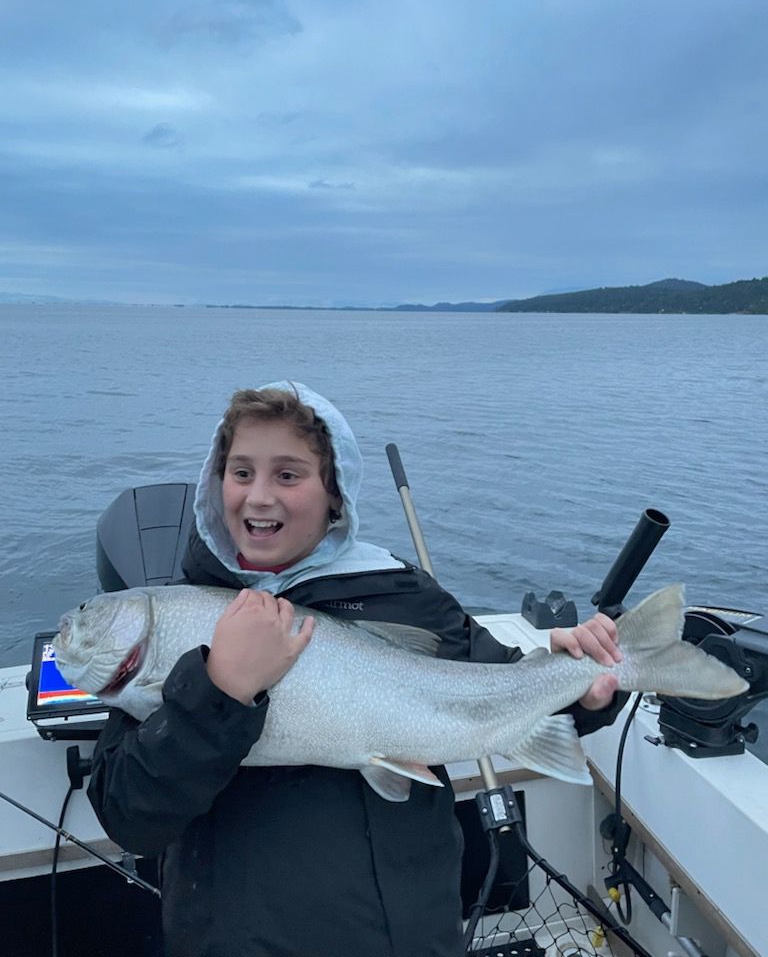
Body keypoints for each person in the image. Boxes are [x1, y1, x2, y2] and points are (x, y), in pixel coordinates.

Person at [88, 381, 625, 957]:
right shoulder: (184, 617)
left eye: (288, 475)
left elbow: (500, 691)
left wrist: (581, 690)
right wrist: (221, 690)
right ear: (215, 484)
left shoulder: (405, 595)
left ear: (335, 494)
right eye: (240, 472)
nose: (259, 496)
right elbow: (128, 814)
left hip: (406, 937)